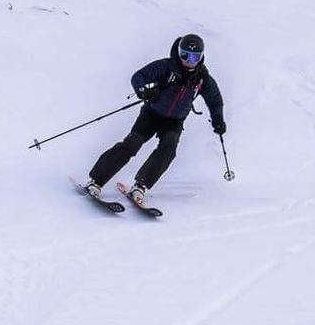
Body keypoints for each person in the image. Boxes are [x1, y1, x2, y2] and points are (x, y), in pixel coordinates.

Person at [85, 33, 226, 204]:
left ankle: (140, 186)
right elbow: (138, 77)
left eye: (195, 57)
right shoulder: (166, 66)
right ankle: (96, 181)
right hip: (152, 114)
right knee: (132, 144)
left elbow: (215, 100)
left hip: (174, 121)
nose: (189, 61)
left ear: (201, 57)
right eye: (185, 55)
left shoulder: (202, 78)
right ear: (179, 53)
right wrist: (143, 91)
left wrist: (218, 120)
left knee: (168, 149)